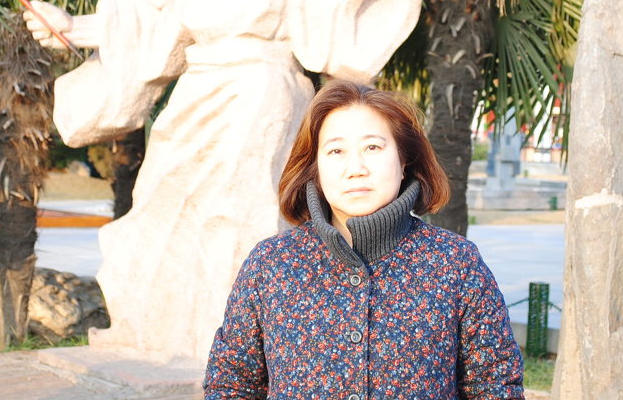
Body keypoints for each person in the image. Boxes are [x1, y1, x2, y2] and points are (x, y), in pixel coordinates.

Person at [23, 0, 430, 359]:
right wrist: (74, 27)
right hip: (199, 88)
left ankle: (241, 353)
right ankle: (168, 340)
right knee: (161, 207)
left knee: (246, 216)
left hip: (265, 85)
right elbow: (162, 6)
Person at [203, 81, 525, 399]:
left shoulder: (455, 262)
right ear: (315, 168)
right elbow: (231, 385)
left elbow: (495, 386)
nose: (355, 169)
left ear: (403, 161)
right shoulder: (271, 264)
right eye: (336, 151)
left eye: (373, 147)